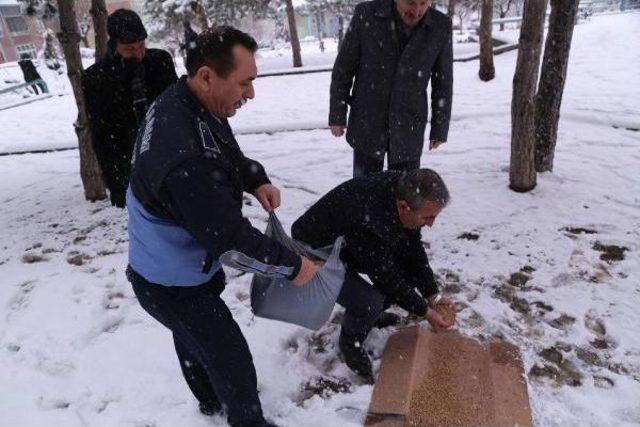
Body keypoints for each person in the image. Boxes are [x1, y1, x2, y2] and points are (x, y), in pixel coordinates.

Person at [125, 27, 318, 427]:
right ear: (207, 76)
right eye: (244, 83)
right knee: (228, 355)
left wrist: (255, 178)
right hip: (169, 283)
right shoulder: (184, 156)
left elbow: (225, 153)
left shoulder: (188, 102)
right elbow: (231, 242)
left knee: (194, 338)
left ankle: (210, 401)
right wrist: (292, 266)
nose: (250, 94)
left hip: (170, 266)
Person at [292, 169, 456, 383]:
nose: (431, 224)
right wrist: (426, 311)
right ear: (403, 207)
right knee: (368, 301)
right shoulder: (370, 220)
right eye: (428, 217)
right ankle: (351, 343)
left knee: (401, 269)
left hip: (347, 240)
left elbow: (412, 249)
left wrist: (432, 295)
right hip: (313, 251)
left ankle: (371, 318)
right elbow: (385, 277)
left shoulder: (403, 189)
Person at [329, 0, 454, 177]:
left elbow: (443, 82)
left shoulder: (441, 25)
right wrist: (337, 114)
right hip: (368, 123)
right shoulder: (367, 14)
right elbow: (344, 68)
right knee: (365, 193)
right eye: (410, 3)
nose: (417, 11)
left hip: (409, 124)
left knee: (405, 194)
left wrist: (439, 128)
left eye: (423, 3)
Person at [83, 9, 177, 208]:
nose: (138, 53)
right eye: (129, 48)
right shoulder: (96, 78)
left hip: (170, 157)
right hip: (131, 165)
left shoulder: (160, 61)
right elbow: (101, 135)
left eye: (141, 45)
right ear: (114, 45)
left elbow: (178, 108)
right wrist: (116, 182)